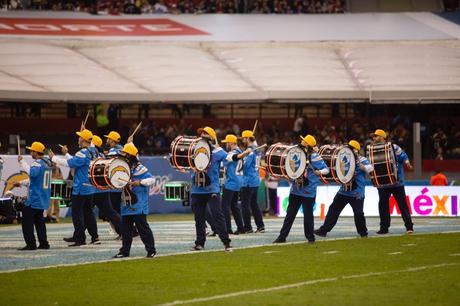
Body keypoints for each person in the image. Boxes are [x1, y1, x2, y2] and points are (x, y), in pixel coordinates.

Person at [273, 135, 328, 244]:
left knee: (308, 216)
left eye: (303, 141)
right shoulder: (296, 153)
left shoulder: (314, 156)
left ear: (307, 144)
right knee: (290, 215)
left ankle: (310, 237)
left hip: (308, 191)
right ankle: (282, 237)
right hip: (296, 189)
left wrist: (319, 172)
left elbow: (326, 169)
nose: (301, 141)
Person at [314, 140, 374, 238]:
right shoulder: (343, 157)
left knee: (358, 214)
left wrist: (364, 168)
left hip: (357, 193)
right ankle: (323, 230)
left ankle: (363, 233)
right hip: (344, 191)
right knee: (333, 209)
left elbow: (371, 168)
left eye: (350, 147)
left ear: (355, 150)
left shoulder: (361, 159)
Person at [50, 129, 98, 246]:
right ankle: (95, 237)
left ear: (84, 140)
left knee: (77, 214)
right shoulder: (94, 151)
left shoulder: (82, 153)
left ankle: (80, 238)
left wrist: (54, 158)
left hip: (80, 188)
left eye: (80, 137)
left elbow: (70, 163)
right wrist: (66, 153)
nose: (78, 138)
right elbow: (76, 161)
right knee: (88, 213)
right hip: (90, 187)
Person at [190, 126, 232, 251]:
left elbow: (230, 158)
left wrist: (241, 155)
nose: (202, 134)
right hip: (197, 188)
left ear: (211, 137)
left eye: (205, 133)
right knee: (199, 219)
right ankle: (200, 243)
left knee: (217, 216)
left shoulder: (218, 151)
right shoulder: (194, 149)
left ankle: (226, 243)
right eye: (201, 132)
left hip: (211, 189)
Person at [113, 143, 156, 258]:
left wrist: (139, 182)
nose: (123, 157)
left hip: (139, 203)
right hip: (126, 202)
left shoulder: (140, 168)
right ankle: (124, 251)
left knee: (142, 228)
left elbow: (152, 180)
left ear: (131, 156)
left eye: (126, 154)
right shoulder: (124, 168)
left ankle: (151, 250)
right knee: (126, 229)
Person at [372, 129, 414, 235]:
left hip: (396, 182)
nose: (374, 138)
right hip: (382, 184)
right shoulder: (372, 149)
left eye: (376, 136)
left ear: (382, 137)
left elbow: (403, 156)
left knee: (402, 205)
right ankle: (384, 228)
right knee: (383, 206)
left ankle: (409, 227)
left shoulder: (393, 147)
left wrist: (407, 163)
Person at [15, 141, 52, 250]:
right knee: (39, 221)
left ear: (36, 152)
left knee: (26, 220)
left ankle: (31, 244)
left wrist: (22, 162)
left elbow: (32, 173)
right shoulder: (47, 162)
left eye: (32, 151)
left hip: (35, 197)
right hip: (43, 197)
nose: (31, 152)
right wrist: (21, 183)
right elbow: (35, 179)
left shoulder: (37, 163)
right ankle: (44, 243)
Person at [89, 135, 122, 238]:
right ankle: (125, 231)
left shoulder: (93, 154)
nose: (107, 140)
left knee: (86, 212)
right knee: (111, 212)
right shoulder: (103, 155)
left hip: (95, 188)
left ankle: (84, 235)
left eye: (108, 138)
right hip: (105, 187)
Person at [221, 134, 252, 235]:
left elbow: (233, 158)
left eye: (226, 143)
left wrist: (245, 153)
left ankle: (227, 229)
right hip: (239, 182)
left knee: (225, 206)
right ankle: (241, 227)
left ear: (231, 143)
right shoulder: (241, 151)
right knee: (234, 206)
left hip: (231, 182)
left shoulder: (234, 153)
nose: (226, 145)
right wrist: (245, 153)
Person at [240, 130, 265, 233]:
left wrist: (241, 158)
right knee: (254, 204)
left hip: (248, 181)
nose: (242, 140)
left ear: (247, 138)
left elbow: (244, 166)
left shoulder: (251, 151)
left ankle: (248, 227)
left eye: (243, 138)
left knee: (245, 205)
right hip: (255, 180)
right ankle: (260, 226)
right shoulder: (256, 149)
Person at [104, 131, 123, 216]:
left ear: (112, 140)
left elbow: (106, 160)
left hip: (113, 182)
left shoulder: (113, 150)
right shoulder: (122, 148)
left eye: (108, 138)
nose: (107, 140)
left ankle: (116, 228)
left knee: (113, 209)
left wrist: (104, 154)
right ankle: (117, 227)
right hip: (121, 182)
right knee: (116, 208)